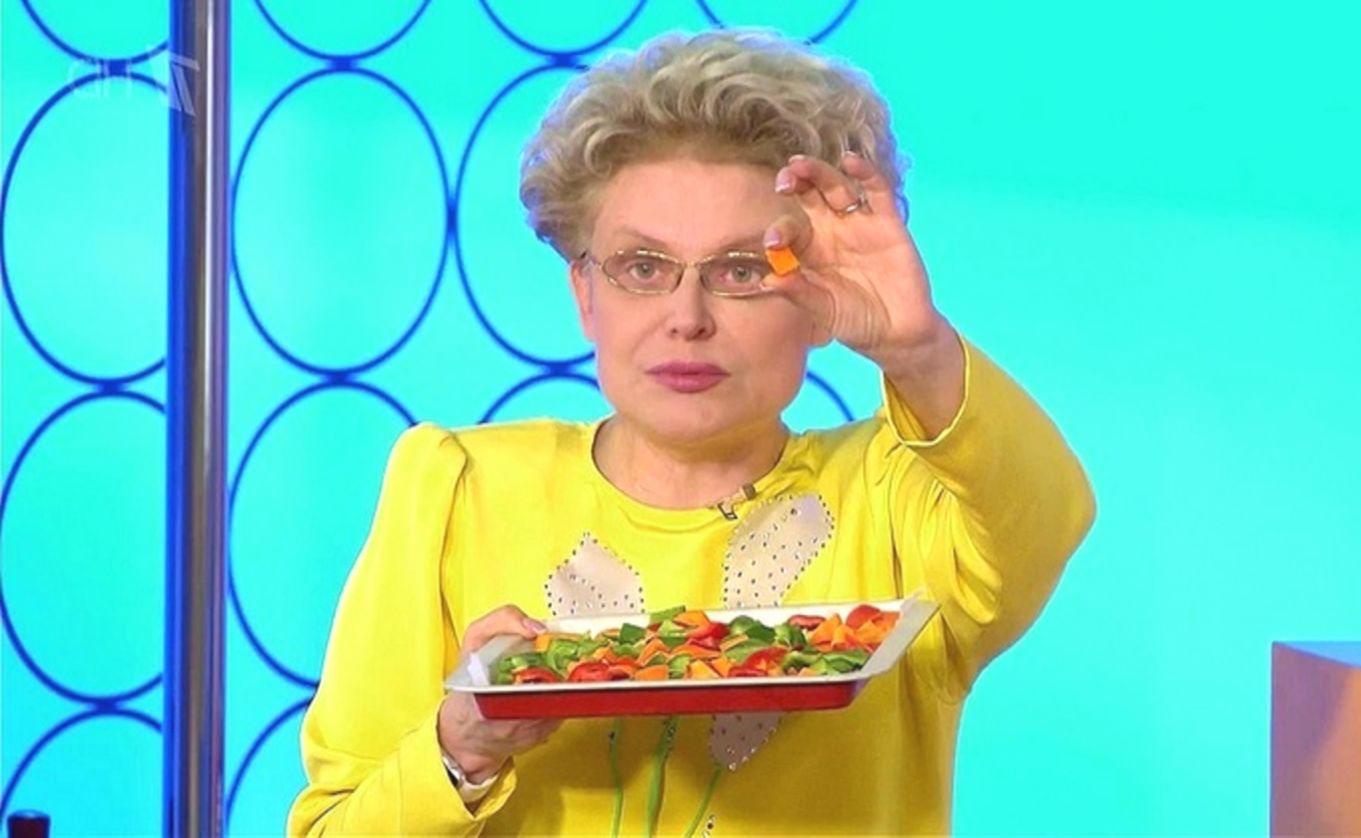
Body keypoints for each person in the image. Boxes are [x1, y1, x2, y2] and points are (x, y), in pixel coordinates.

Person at [288, 28, 1095, 836]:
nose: (687, 318)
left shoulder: (900, 496)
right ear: (585, 294)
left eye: (742, 271)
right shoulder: (456, 489)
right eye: (643, 267)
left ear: (817, 299)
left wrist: (916, 348)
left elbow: (1050, 515)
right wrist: (460, 749)